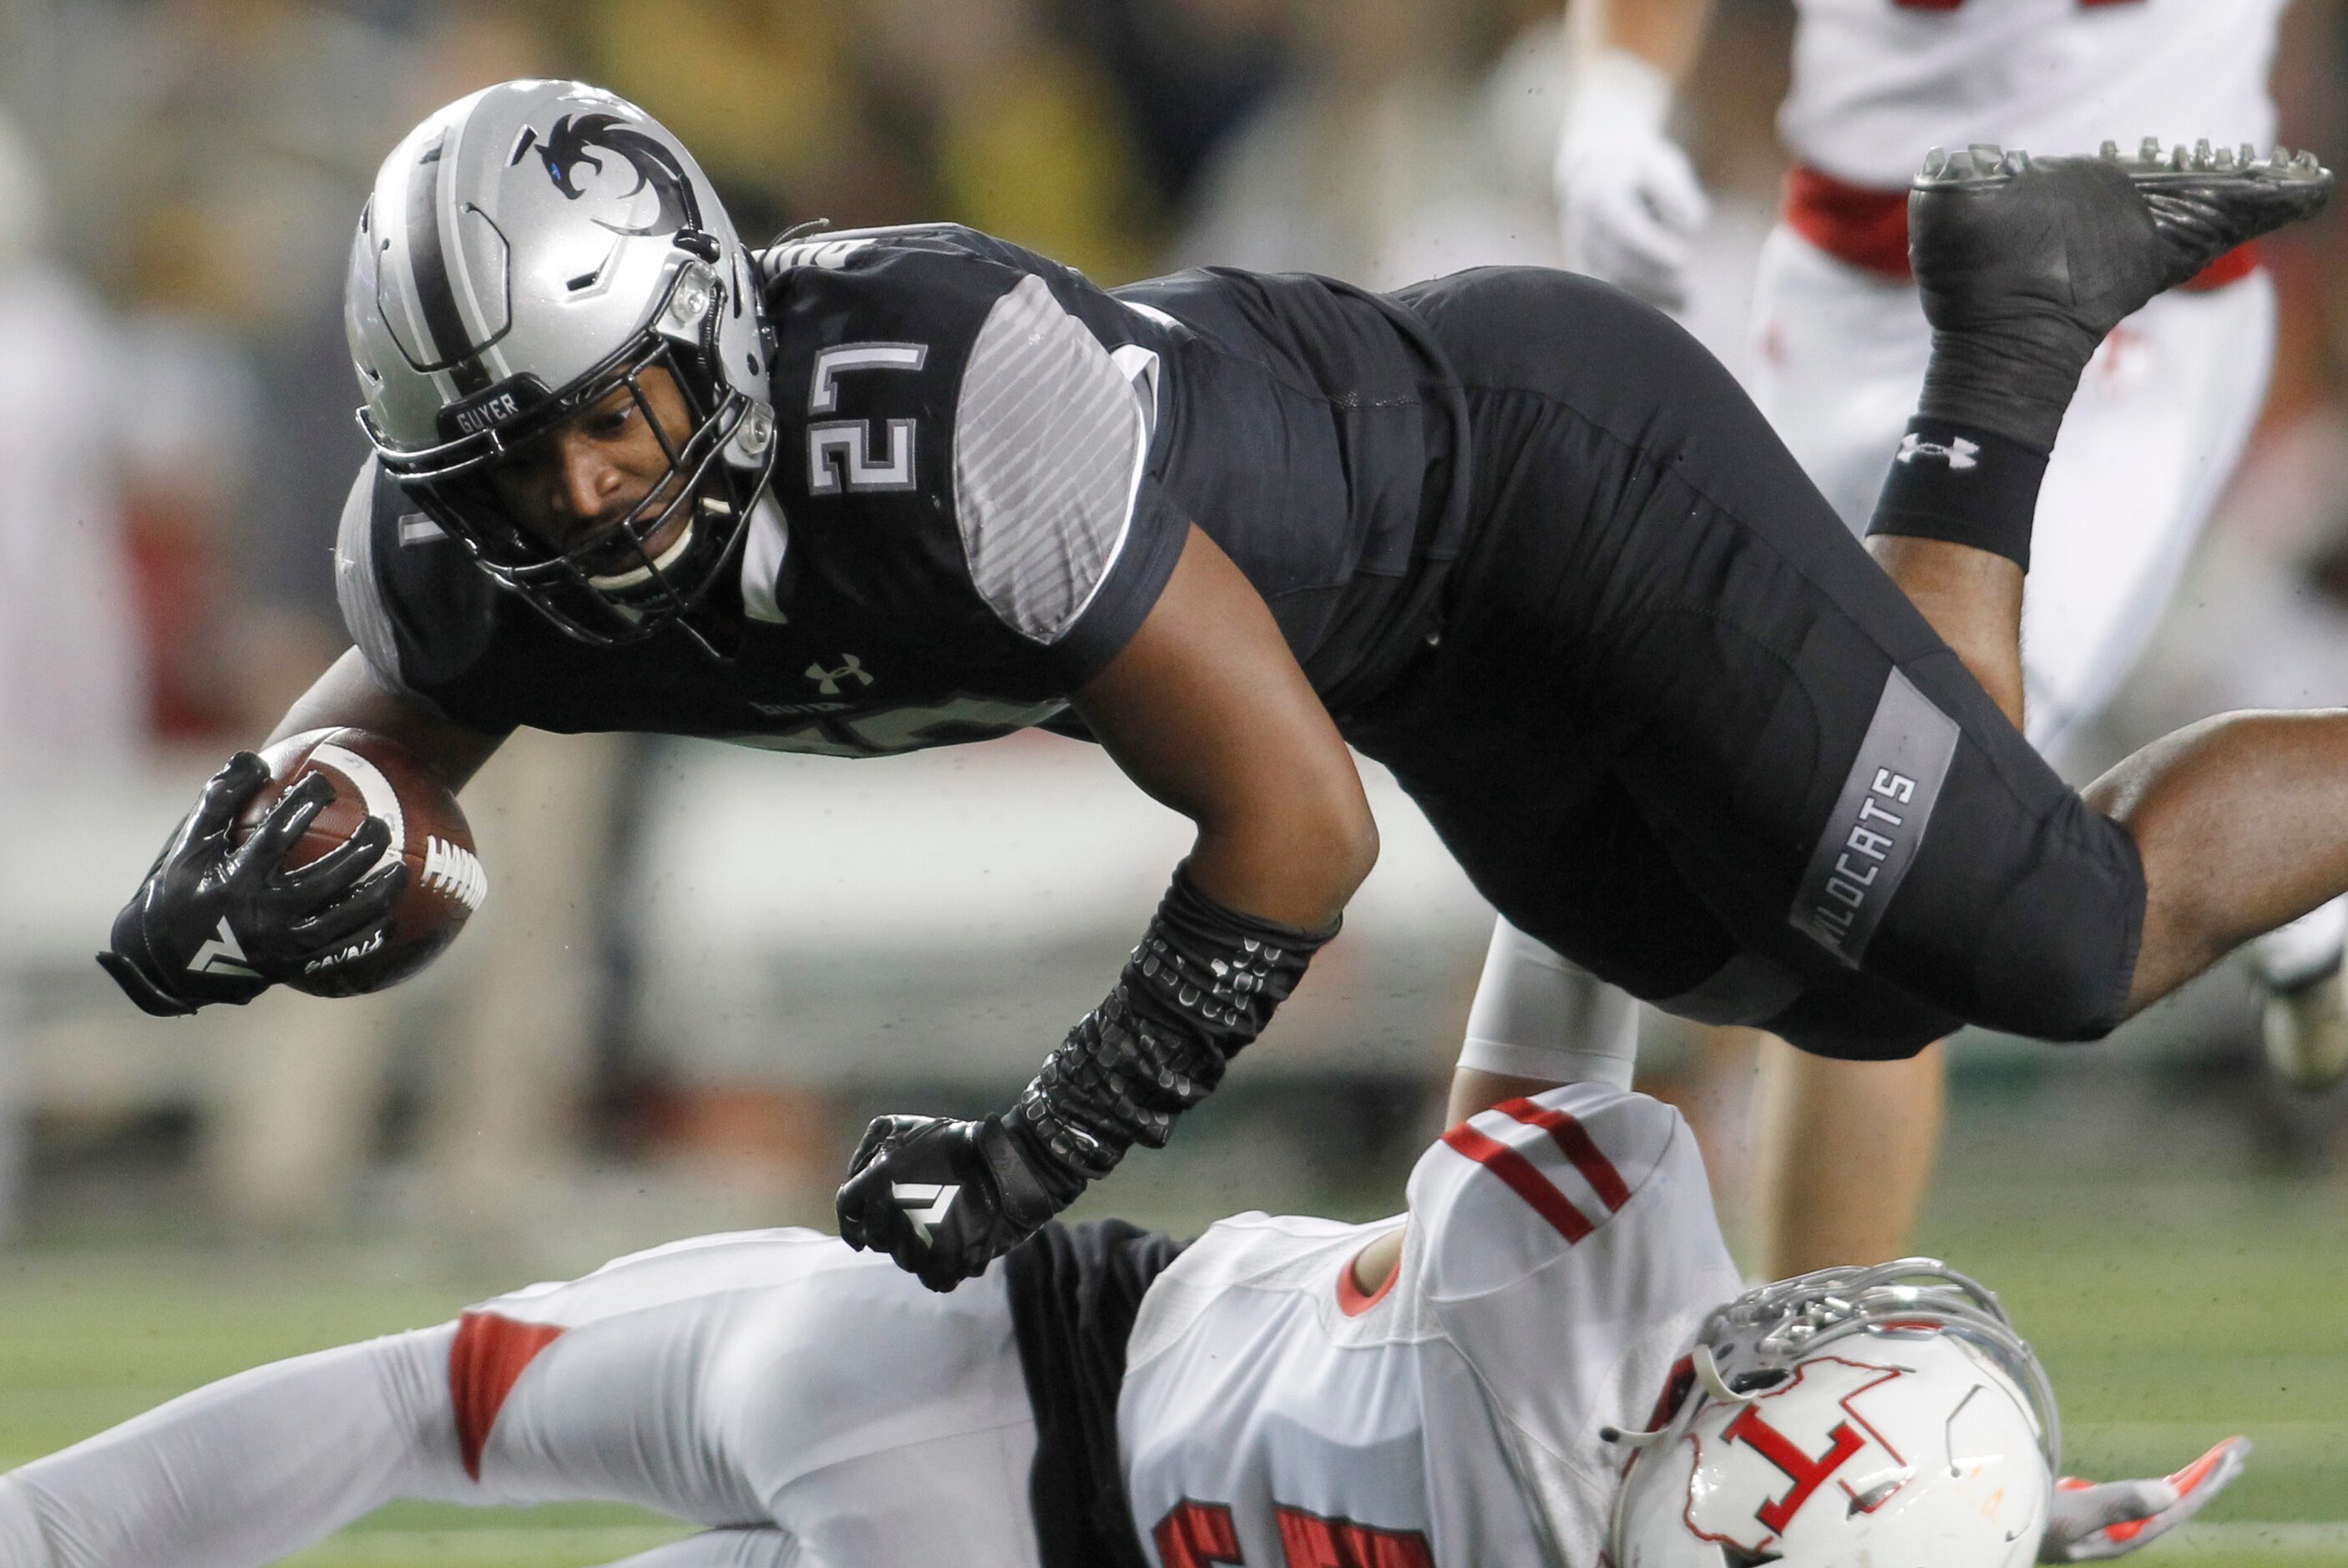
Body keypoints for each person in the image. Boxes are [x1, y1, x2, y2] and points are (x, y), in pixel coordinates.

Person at [95, 78, 2340, 1294]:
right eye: (513, 459)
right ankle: (2010, 327)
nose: (583, 496)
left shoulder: (940, 398)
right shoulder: (453, 545)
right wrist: (255, 863)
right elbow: (391, 778)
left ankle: (2015, 329)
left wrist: (1038, 1149)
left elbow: (1295, 832)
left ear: (709, 330)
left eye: (616, 415)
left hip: (1543, 491)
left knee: (2050, 936)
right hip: (1410, 649)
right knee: (1842, 987)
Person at [0, 931, 2249, 1568]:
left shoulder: (1603, 1284)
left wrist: (1578, 854)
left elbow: (1519, 1088)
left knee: (424, 1398)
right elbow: (1764, 1523)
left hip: (937, 1340)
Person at [1552, 0, 2340, 1276]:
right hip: (1842, 282)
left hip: (2126, 292)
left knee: (1904, 813)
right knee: (1637, 745)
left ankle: (1813, 1375)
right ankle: (2285, 885)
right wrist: (1613, 106)